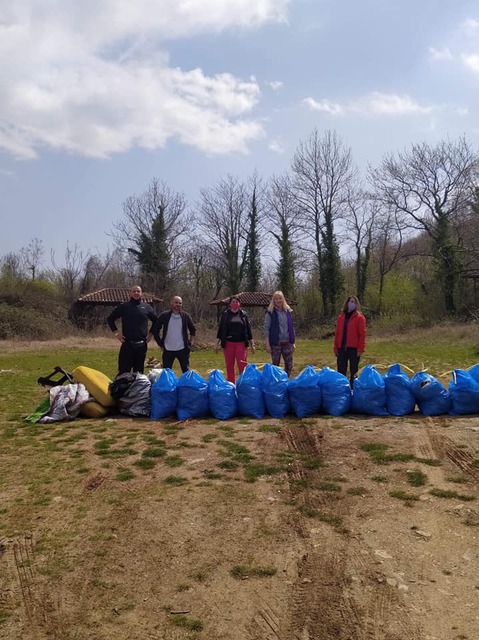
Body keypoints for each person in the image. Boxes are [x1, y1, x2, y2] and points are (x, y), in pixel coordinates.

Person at [107, 285, 158, 375]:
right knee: (123, 372)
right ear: (130, 293)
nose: (136, 293)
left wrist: (151, 334)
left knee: (139, 373)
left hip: (141, 345)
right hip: (127, 344)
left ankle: (137, 389)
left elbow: (156, 321)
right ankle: (122, 389)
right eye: (134, 291)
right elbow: (110, 319)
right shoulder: (124, 306)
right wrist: (116, 333)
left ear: (141, 293)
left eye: (138, 291)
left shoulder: (147, 307)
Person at [214, 296, 255, 384]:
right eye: (233, 302)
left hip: (241, 344)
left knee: (242, 365)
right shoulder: (225, 315)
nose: (235, 303)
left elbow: (248, 330)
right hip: (228, 344)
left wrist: (252, 345)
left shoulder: (243, 315)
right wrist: (216, 344)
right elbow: (221, 330)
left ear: (239, 304)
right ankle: (231, 385)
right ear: (230, 304)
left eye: (236, 302)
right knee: (229, 366)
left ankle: (242, 384)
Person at [154, 295, 196, 373]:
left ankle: (187, 385)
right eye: (176, 302)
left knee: (186, 372)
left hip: (183, 349)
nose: (178, 304)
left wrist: (191, 343)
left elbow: (193, 329)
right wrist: (160, 343)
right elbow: (156, 329)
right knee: (167, 373)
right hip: (168, 349)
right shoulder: (164, 315)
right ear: (171, 303)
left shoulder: (185, 316)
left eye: (180, 303)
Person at [333, 295, 366, 386]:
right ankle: (342, 387)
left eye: (353, 302)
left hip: (354, 349)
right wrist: (336, 347)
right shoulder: (341, 317)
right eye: (350, 301)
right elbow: (337, 333)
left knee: (354, 370)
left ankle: (353, 388)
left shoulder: (360, 318)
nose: (351, 304)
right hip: (342, 348)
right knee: (341, 369)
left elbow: (362, 334)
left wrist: (360, 349)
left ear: (356, 305)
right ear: (347, 303)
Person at [264, 290, 296, 377]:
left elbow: (291, 327)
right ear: (273, 301)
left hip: (287, 342)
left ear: (283, 299)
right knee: (275, 366)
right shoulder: (270, 313)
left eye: (280, 298)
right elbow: (266, 329)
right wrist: (267, 345)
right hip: (275, 343)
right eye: (276, 299)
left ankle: (285, 382)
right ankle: (275, 384)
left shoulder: (288, 311)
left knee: (289, 365)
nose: (278, 301)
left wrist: (293, 342)